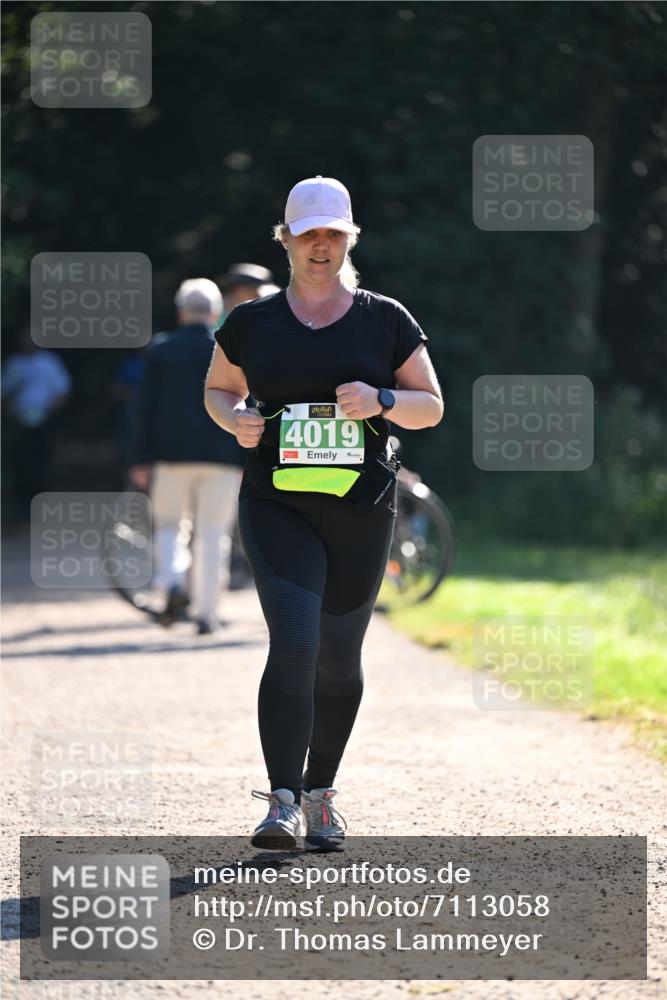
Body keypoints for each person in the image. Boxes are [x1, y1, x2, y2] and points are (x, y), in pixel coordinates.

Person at [205, 176, 443, 850]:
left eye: (332, 234)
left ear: (348, 240)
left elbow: (431, 404)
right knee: (295, 642)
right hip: (277, 505)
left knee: (338, 658)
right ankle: (280, 802)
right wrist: (234, 422)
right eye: (307, 233)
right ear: (284, 240)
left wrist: (382, 400)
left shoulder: (384, 319)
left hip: (359, 511)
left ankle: (320, 795)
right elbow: (219, 390)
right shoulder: (251, 323)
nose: (320, 245)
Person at [129, 278, 244, 635]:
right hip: (224, 457)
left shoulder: (161, 351)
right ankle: (207, 615)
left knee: (167, 527)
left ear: (181, 311)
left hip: (171, 457)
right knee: (213, 535)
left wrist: (139, 457)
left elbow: (141, 409)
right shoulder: (230, 349)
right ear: (215, 312)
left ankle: (173, 582)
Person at [1, 330, 72, 520]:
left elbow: (62, 390)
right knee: (20, 462)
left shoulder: (49, 362)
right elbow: (4, 392)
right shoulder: (14, 364)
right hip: (20, 422)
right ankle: (21, 506)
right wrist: (10, 412)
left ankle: (42, 504)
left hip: (45, 421)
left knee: (41, 461)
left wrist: (49, 412)